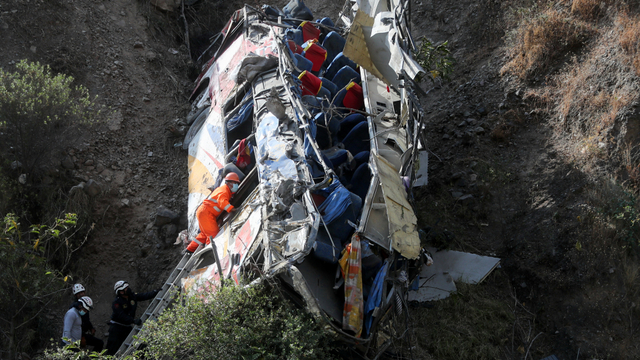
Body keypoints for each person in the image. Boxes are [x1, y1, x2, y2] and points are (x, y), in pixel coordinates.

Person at [186, 172, 240, 253]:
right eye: (235, 183)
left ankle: (190, 249)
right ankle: (211, 252)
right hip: (206, 213)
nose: (236, 185)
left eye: (237, 183)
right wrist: (233, 209)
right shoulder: (224, 191)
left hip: (204, 212)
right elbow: (223, 203)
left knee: (204, 234)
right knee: (213, 235)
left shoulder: (225, 190)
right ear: (229, 183)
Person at [105, 281, 160, 355]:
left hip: (127, 327)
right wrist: (133, 320)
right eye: (126, 288)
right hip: (116, 329)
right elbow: (121, 315)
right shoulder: (117, 303)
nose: (128, 289)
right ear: (121, 292)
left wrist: (155, 292)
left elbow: (143, 296)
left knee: (139, 345)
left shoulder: (132, 296)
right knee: (112, 350)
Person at [69, 284, 104, 352]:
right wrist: (82, 337)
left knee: (99, 343)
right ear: (75, 295)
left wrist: (91, 328)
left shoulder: (85, 304)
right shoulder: (74, 308)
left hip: (83, 333)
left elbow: (86, 320)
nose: (81, 294)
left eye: (82, 292)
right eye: (78, 293)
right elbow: (75, 325)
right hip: (75, 336)